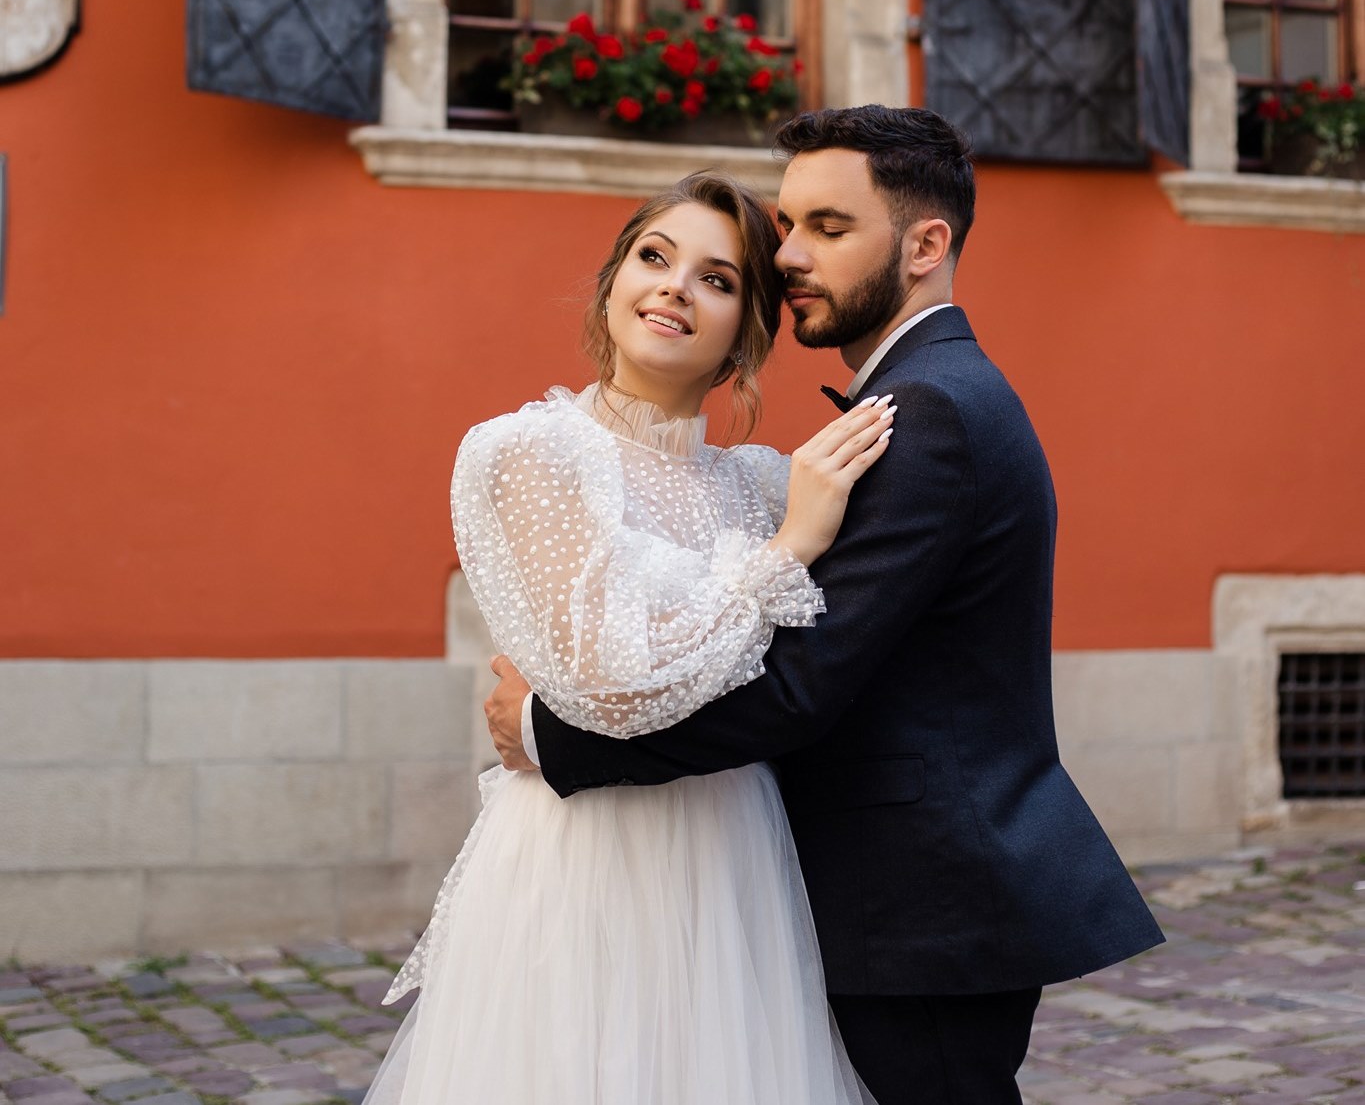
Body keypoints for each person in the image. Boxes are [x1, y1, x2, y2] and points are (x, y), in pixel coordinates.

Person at [486, 105, 1166, 1105]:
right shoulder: (925, 396)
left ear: (926, 243)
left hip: (919, 902)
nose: (790, 254)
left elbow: (801, 687)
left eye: (829, 229)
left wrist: (555, 738)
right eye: (789, 226)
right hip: (874, 894)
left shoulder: (928, 411)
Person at [366, 169, 896, 1105]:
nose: (675, 288)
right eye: (655, 258)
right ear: (613, 282)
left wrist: (787, 526)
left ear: (746, 334)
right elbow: (609, 689)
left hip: (734, 851)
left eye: (717, 279)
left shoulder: (764, 483)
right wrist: (787, 551)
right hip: (587, 857)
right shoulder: (529, 452)